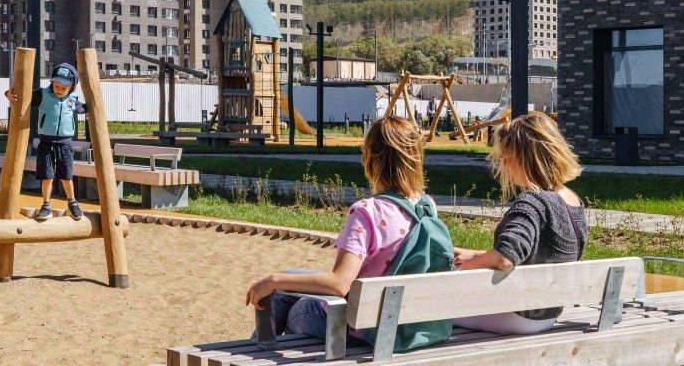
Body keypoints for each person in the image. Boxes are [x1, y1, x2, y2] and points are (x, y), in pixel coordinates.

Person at [244, 116, 449, 342]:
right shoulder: (426, 207)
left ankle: (256, 349)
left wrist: (273, 281)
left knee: (291, 303)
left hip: (362, 327)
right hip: (406, 324)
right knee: (291, 275)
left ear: (370, 158)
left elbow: (340, 284)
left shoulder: (367, 212)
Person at [452, 112, 587, 335]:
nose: (501, 163)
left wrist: (463, 266)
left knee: (428, 308)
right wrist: (476, 254)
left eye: (505, 156)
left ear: (522, 157)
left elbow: (505, 260)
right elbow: (536, 254)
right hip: (548, 315)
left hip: (517, 314)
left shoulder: (532, 203)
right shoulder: (573, 200)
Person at [5, 63, 86, 221]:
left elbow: (84, 108)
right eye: (56, 86)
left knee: (66, 175)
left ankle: (72, 203)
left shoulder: (72, 99)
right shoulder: (43, 95)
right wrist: (8, 93)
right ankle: (46, 205)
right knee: (47, 175)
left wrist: (91, 109)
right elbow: (22, 95)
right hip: (46, 141)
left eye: (64, 87)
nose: (59, 90)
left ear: (72, 87)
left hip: (65, 142)